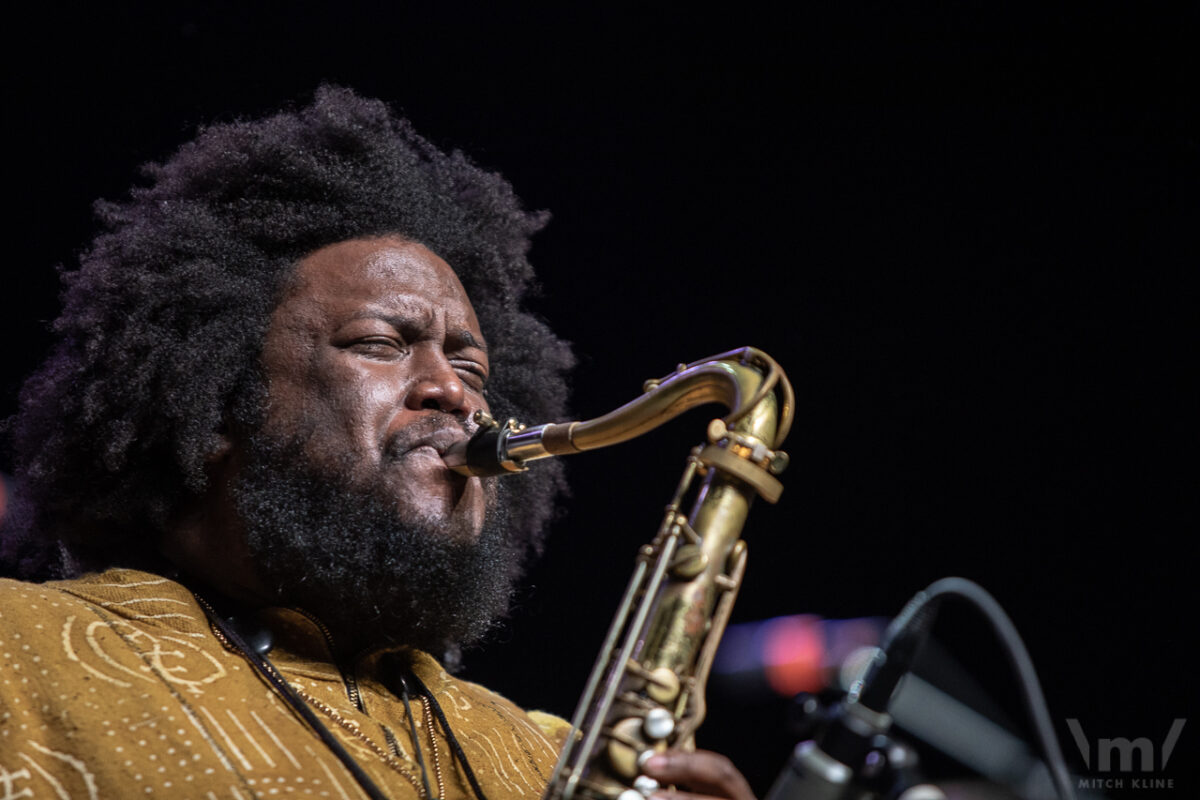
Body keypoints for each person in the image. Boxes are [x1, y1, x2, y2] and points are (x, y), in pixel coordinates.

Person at [0, 86, 756, 799]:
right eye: (379, 343)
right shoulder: (21, 652)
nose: (454, 392)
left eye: (469, 364)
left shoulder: (550, 758)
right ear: (215, 405)